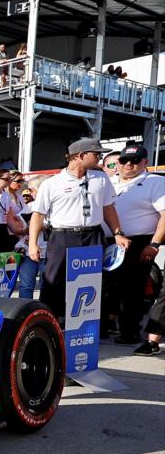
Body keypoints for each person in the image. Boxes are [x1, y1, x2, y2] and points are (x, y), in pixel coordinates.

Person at [28, 137, 130, 320]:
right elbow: (38, 215)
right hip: (62, 236)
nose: (100, 157)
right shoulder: (52, 183)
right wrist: (32, 244)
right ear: (80, 156)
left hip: (93, 234)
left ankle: (92, 323)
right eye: (96, 154)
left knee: (95, 279)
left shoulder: (101, 178)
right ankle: (51, 320)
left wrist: (117, 233)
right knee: (54, 280)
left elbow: (108, 208)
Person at [107, 143, 165, 348]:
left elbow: (164, 216)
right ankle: (106, 325)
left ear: (145, 162)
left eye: (135, 160)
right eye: (124, 160)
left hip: (138, 241)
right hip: (109, 241)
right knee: (108, 288)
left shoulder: (155, 182)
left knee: (132, 289)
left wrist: (154, 243)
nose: (128, 165)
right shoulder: (109, 181)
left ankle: (129, 331)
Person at [15, 175, 49, 300]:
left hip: (48, 250)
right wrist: (26, 229)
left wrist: (41, 226)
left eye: (32, 190)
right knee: (25, 286)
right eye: (28, 190)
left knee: (46, 286)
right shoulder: (29, 206)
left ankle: (45, 312)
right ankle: (23, 313)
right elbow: (20, 224)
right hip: (29, 251)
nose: (29, 193)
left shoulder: (55, 204)